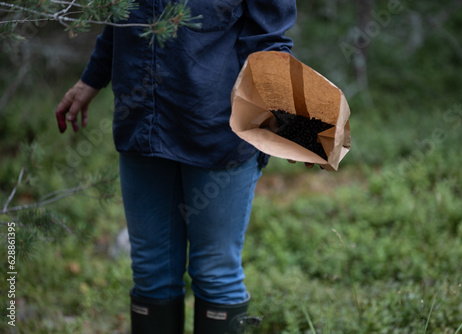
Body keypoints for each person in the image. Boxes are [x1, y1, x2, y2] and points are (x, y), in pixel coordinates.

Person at [56, 1, 297, 333]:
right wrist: (91, 79)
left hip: (218, 132)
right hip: (142, 127)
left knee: (216, 272)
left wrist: (292, 125)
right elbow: (122, 19)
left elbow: (268, 40)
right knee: (150, 273)